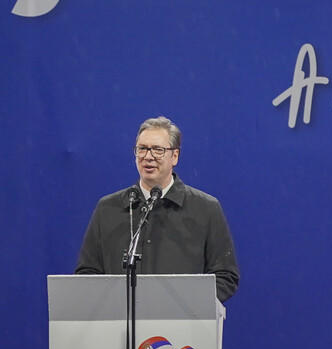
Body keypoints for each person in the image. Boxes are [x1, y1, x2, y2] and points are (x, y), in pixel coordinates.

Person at [75, 116, 239, 302]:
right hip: (120, 318)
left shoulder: (205, 209)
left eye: (158, 150)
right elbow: (87, 273)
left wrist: (189, 304)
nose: (148, 156)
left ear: (175, 156)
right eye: (142, 149)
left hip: (181, 319)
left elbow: (225, 276)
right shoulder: (108, 209)